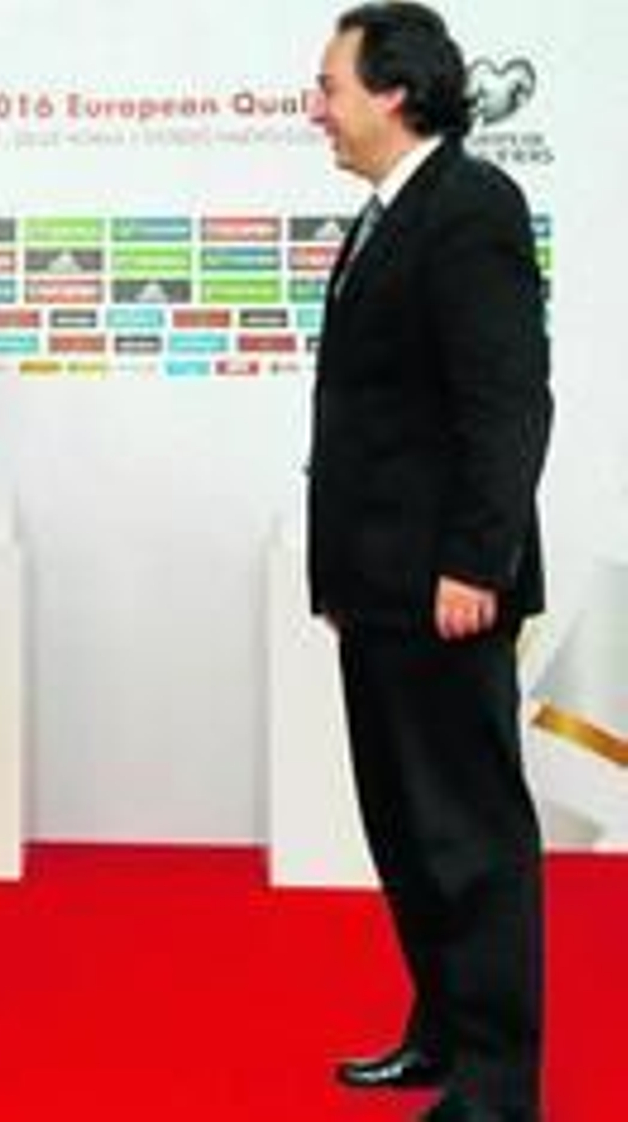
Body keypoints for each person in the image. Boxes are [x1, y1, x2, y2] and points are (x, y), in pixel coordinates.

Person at [306, 5, 552, 1120]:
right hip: (377, 593)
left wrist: (475, 565)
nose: (317, 109)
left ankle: (498, 1088)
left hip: (447, 592)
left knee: (468, 835)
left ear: (394, 92)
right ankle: (443, 1033)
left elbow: (508, 406)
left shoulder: (470, 207)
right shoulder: (384, 215)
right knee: (405, 830)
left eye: (330, 86)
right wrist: (342, 579)